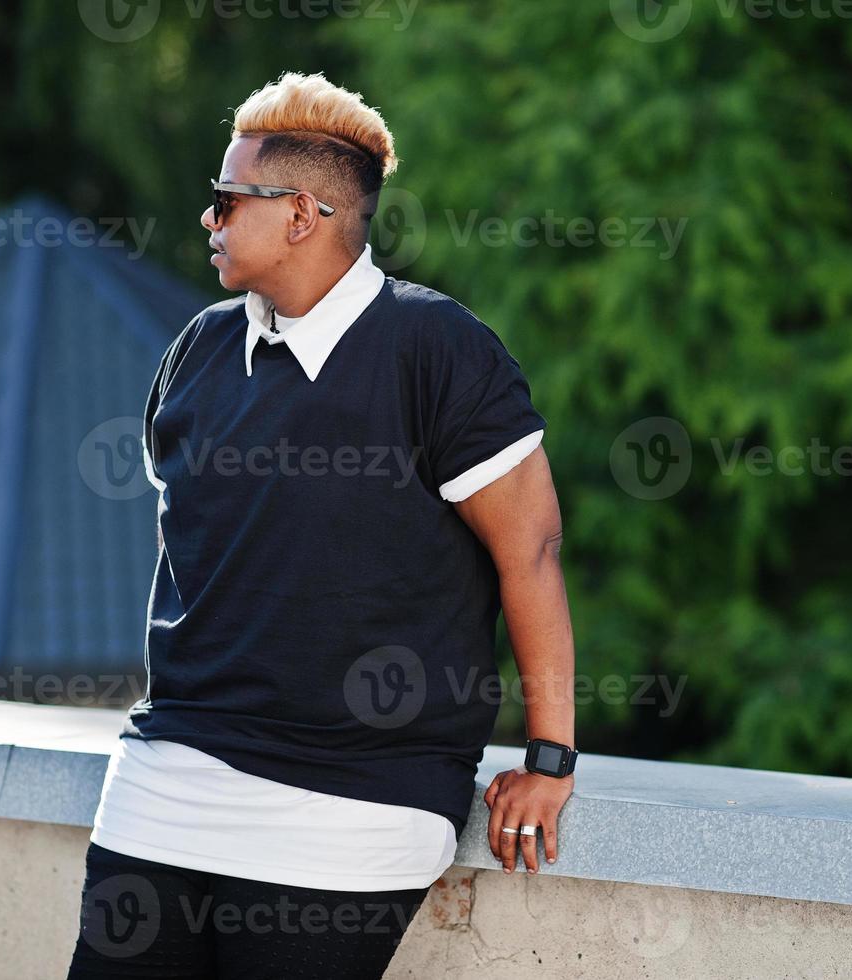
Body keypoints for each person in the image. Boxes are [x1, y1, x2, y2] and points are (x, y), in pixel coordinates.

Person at [66, 70, 577, 979]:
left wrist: (548, 755)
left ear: (302, 212)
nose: (208, 220)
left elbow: (530, 550)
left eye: (226, 201)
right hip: (167, 777)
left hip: (360, 799)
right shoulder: (198, 347)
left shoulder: (440, 349)